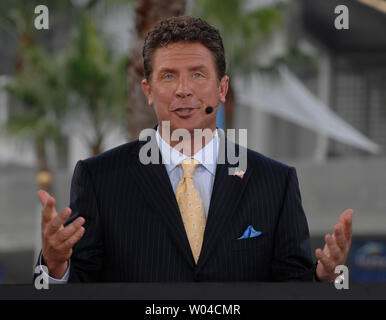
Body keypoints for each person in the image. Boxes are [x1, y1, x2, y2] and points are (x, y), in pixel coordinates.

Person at [35, 16, 353, 283]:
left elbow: (292, 285)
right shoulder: (100, 179)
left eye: (198, 75)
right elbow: (82, 285)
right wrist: (55, 265)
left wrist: (321, 278)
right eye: (168, 76)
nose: (183, 90)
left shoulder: (274, 182)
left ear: (222, 89)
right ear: (147, 90)